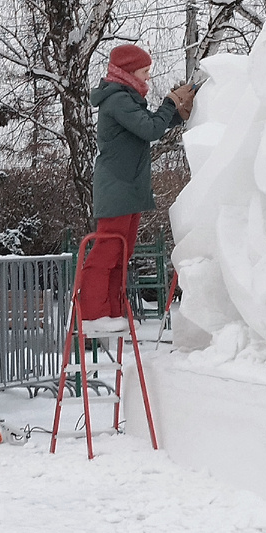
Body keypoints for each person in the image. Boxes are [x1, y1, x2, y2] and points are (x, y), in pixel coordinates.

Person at [79, 44, 194, 333]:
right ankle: (92, 315)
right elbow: (150, 129)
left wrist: (176, 114)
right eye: (145, 71)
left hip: (128, 188)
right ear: (129, 72)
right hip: (117, 186)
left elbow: (149, 126)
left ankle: (112, 313)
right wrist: (170, 105)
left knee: (121, 252)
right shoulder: (118, 99)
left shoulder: (127, 100)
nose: (148, 78)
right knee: (107, 252)